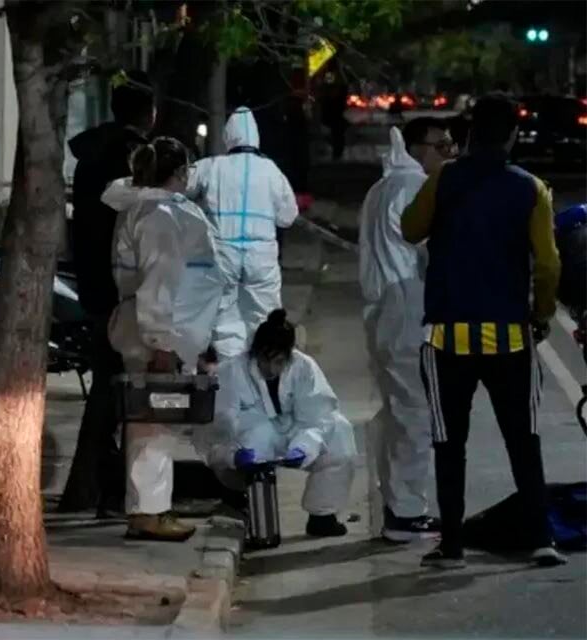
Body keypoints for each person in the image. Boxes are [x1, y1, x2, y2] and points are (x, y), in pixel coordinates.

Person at [401, 93, 567, 569]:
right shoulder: (531, 188)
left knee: (449, 443)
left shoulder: (444, 180)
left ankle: (451, 544)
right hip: (510, 338)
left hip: (446, 339)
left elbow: (410, 229)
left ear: (470, 133)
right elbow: (549, 264)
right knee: (524, 438)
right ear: (513, 135)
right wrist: (542, 314)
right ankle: (541, 538)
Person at [103, 137, 224, 541]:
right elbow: (160, 283)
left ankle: (149, 509)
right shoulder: (160, 216)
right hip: (155, 334)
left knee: (151, 420)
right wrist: (161, 343)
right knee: (153, 422)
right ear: (178, 173)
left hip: (157, 330)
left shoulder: (148, 209)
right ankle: (149, 512)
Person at [59, 73, 155, 514]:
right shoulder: (129, 158)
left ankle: (96, 489)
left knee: (108, 386)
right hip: (119, 287)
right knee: (114, 390)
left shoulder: (90, 154)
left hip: (92, 279)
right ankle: (97, 490)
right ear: (146, 115)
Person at [358, 119, 455, 542]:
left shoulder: (381, 189)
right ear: (419, 149)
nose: (450, 152)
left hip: (382, 311)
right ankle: (406, 512)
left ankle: (397, 505)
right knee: (414, 414)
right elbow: (433, 251)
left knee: (396, 412)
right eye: (443, 145)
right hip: (406, 306)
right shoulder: (415, 188)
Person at [194, 310, 357, 536]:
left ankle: (323, 515)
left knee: (340, 431)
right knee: (251, 443)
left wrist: (304, 447)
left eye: (279, 361)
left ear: (289, 355)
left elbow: (319, 417)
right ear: (255, 353)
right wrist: (232, 456)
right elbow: (215, 430)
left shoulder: (304, 367)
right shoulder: (230, 372)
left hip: (292, 433)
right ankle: (240, 498)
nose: (271, 369)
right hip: (247, 442)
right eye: (265, 360)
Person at [187, 106, 299, 361]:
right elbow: (288, 217)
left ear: (229, 136)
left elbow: (179, 187)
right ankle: (265, 377)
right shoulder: (271, 171)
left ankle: (231, 376)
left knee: (225, 319)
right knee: (265, 317)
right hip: (261, 256)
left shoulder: (210, 167)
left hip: (222, 253)